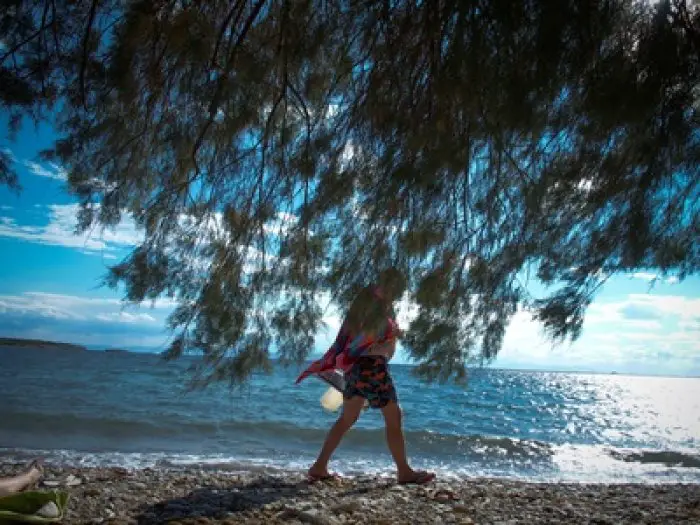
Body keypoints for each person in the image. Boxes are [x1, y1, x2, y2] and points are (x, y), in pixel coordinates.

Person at [296, 268, 436, 485]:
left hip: (355, 368)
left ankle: (319, 466)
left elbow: (361, 337)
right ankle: (404, 472)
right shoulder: (376, 306)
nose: (400, 293)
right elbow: (369, 336)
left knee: (347, 418)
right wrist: (390, 335)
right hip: (372, 366)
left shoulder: (366, 304)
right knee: (393, 416)